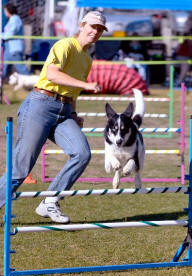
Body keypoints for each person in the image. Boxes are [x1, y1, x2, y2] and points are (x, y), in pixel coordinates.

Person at [0, 11, 108, 223]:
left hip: (64, 111)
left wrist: (74, 113)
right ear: (82, 25)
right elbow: (52, 74)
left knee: (82, 153)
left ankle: (50, 201)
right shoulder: (65, 45)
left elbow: (72, 89)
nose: (95, 32)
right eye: (92, 27)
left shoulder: (87, 59)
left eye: (100, 29)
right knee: (20, 169)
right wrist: (86, 85)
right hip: (40, 105)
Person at [1, 3, 30, 79]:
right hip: (9, 48)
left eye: (5, 10)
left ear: (8, 10)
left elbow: (11, 33)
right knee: (5, 67)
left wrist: (1, 35)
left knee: (21, 67)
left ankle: (30, 81)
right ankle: (3, 82)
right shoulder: (12, 19)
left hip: (14, 48)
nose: (4, 12)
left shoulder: (15, 19)